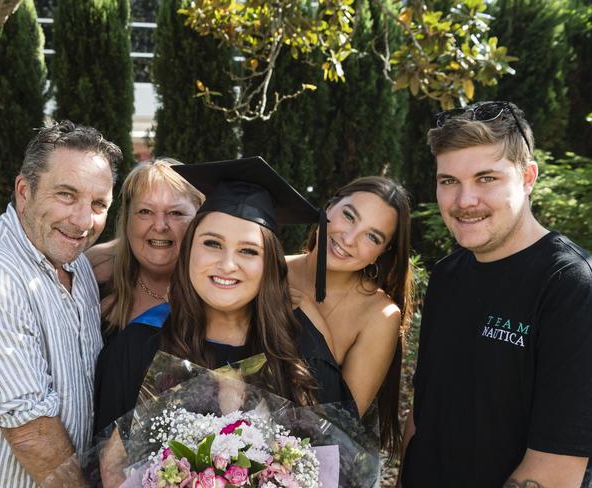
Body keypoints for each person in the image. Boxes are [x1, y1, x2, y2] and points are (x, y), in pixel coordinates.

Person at [400, 101, 592, 488]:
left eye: (486, 178)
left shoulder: (572, 287)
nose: (464, 201)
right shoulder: (446, 276)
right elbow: (422, 414)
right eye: (449, 181)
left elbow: (555, 470)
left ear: (528, 177)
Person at [93, 156, 356, 437]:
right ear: (189, 252)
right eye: (212, 243)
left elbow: (339, 462)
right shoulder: (137, 345)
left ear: (270, 266)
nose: (227, 265)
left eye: (248, 250)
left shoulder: (301, 354)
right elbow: (108, 465)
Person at [0, 120, 121, 487]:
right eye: (66, 195)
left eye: (99, 203)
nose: (83, 220)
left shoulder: (75, 264)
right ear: (24, 191)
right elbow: (31, 433)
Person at [287, 176, 413, 456]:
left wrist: (311, 320)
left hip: (307, 464)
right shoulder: (268, 269)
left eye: (372, 236)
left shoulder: (379, 315)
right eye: (348, 215)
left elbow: (340, 426)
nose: (349, 238)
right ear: (328, 207)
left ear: (381, 252)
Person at [86, 159, 204, 345]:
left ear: (199, 221)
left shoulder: (218, 293)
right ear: (127, 220)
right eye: (145, 211)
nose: (159, 226)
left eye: (175, 213)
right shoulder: (94, 274)